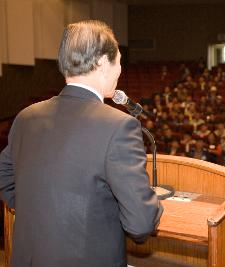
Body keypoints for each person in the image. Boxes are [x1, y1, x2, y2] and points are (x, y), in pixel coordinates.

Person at [0, 20, 163, 267]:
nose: (120, 70)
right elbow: (141, 224)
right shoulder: (119, 126)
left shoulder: (26, 117)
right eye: (119, 61)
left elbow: (4, 175)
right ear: (101, 63)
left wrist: (38, 208)